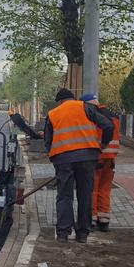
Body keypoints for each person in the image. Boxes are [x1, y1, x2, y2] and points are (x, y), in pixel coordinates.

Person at [43, 88, 114, 244]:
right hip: (88, 158)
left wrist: (54, 158)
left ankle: (63, 233)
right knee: (85, 195)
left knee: (64, 196)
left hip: (63, 160)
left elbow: (48, 141)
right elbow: (108, 126)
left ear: (60, 101)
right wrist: (102, 145)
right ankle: (82, 234)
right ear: (73, 98)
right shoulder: (86, 107)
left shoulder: (53, 113)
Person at [81, 93, 120, 232]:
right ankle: (104, 221)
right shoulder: (113, 115)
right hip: (111, 159)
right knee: (105, 189)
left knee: (92, 189)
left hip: (97, 157)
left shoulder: (93, 115)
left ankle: (91, 219)